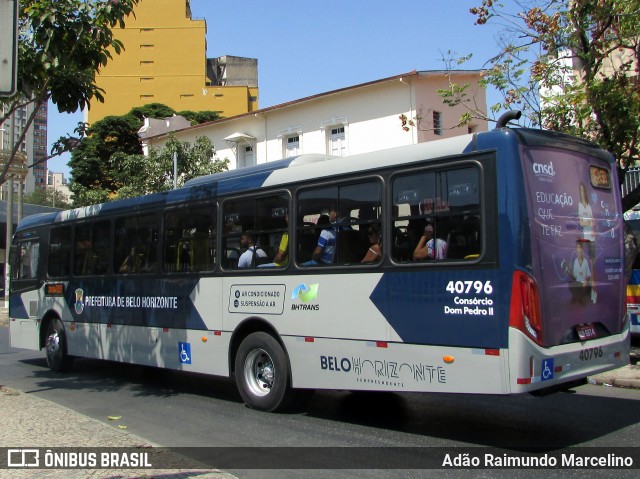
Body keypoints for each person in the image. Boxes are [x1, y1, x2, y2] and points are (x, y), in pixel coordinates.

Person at [578, 182, 597, 302]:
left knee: (592, 266)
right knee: (586, 266)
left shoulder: (589, 205)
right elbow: (581, 222)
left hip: (592, 238)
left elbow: (593, 220)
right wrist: (588, 223)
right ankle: (587, 292)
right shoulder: (580, 206)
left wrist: (592, 225)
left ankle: (593, 291)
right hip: (585, 238)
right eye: (580, 190)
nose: (582, 192)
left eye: (583, 190)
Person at [563, 240, 592, 304]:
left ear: (582, 249)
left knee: (579, 287)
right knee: (571, 284)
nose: (578, 250)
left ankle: (578, 298)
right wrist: (568, 272)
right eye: (577, 247)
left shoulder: (585, 261)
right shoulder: (576, 261)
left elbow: (588, 275)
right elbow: (575, 276)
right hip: (578, 284)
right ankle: (578, 298)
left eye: (580, 247)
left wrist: (586, 282)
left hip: (584, 285)